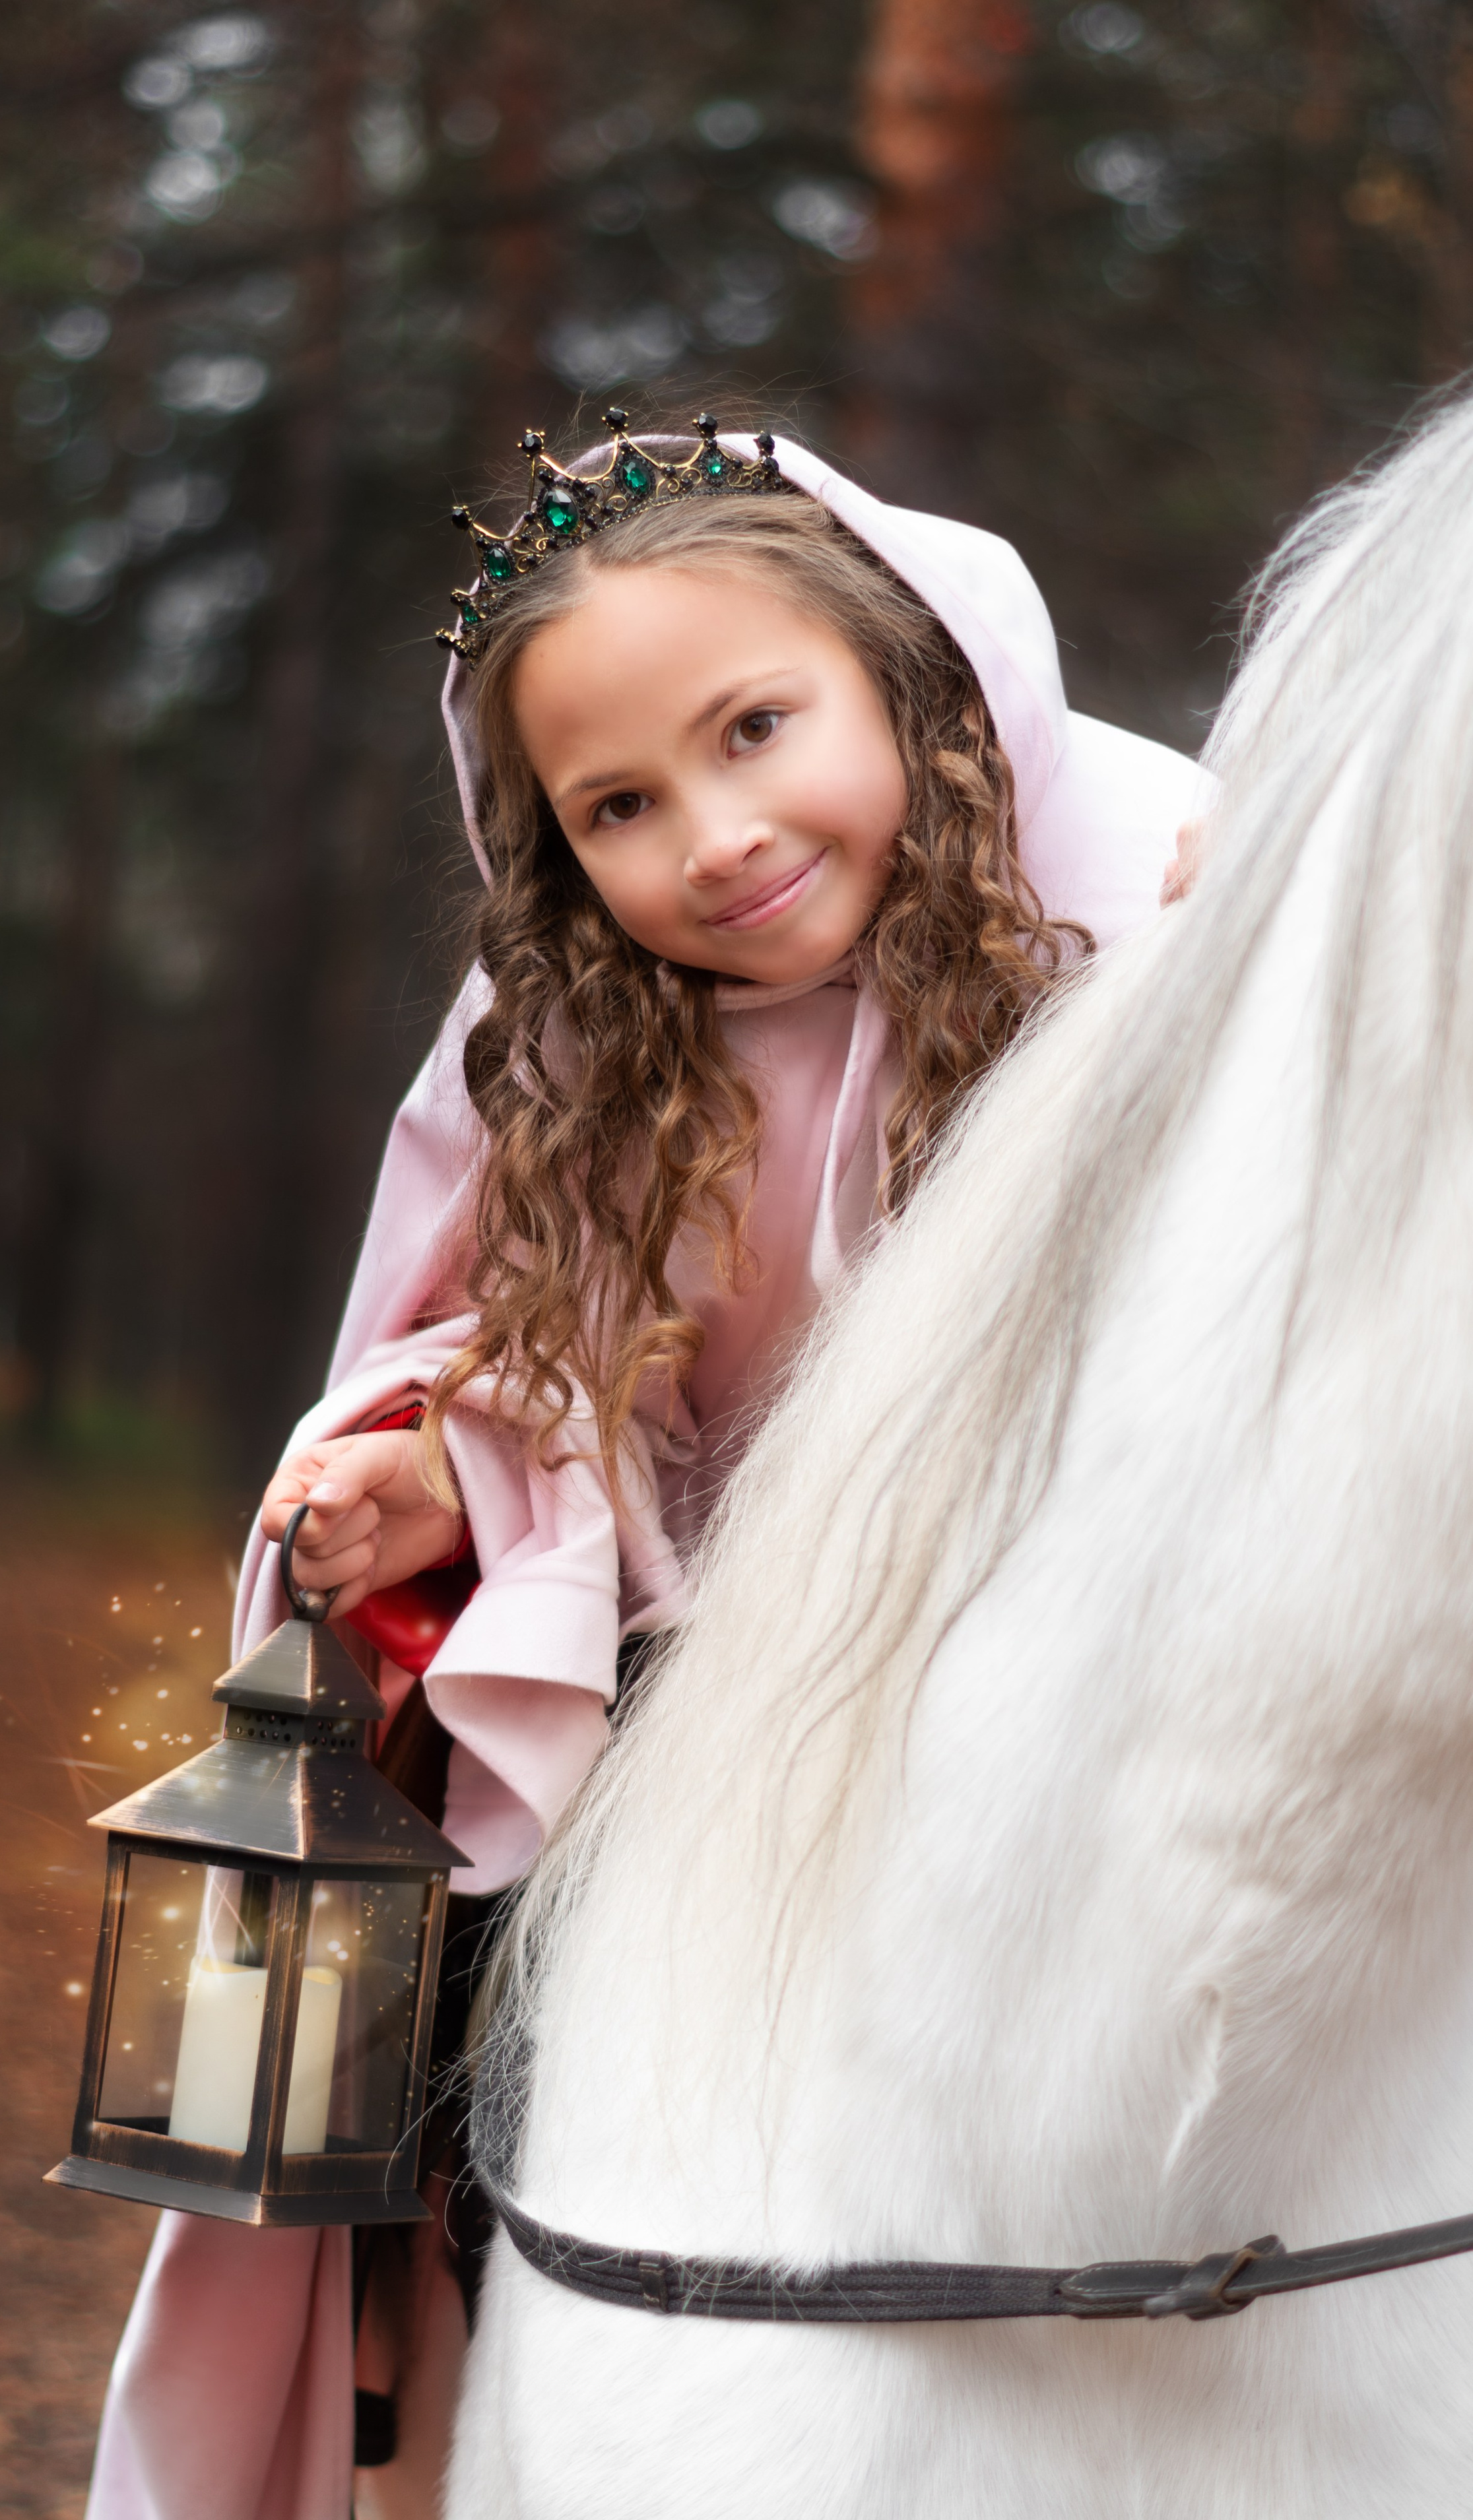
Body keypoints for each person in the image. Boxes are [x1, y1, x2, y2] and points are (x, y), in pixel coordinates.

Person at [84, 414, 1208, 2520]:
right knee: (471, 1996)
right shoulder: (589, 1048)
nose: (715, 832)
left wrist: (1278, 928)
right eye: (621, 802)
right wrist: (442, 1475)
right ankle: (433, 2360)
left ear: (913, 671)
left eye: (758, 724)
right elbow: (542, 1360)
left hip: (1113, 1651)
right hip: (721, 1702)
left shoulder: (1154, 889)